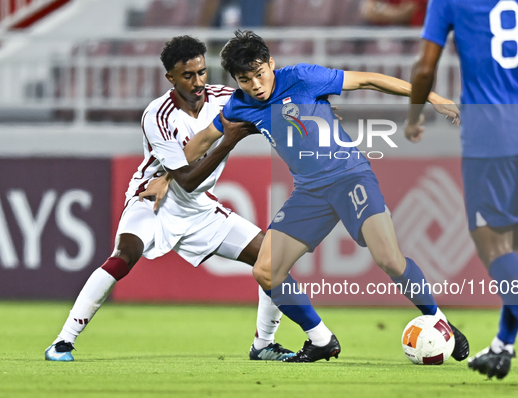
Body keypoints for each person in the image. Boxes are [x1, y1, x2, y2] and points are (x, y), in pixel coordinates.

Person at [169, 30, 469, 363]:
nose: (255, 85)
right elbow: (195, 146)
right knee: (266, 270)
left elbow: (369, 80)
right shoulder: (239, 105)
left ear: (271, 63)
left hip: (351, 177)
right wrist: (166, 172)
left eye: (259, 74)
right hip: (309, 192)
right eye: (244, 79)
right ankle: (321, 339)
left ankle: (442, 322)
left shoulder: (302, 77)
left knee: (389, 259)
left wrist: (432, 98)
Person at [45, 36, 296, 362]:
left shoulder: (225, 98)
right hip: (154, 200)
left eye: (202, 72)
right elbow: (188, 179)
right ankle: (63, 342)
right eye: (188, 75)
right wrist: (229, 140)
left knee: (274, 260)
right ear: (171, 78)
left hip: (199, 207)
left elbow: (273, 97)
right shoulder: (158, 116)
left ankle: (264, 345)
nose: (197, 82)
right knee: (123, 256)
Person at [406, 0, 518, 394]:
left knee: (492, 244)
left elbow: (426, 66)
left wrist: (414, 117)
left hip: (490, 134)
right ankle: (503, 345)